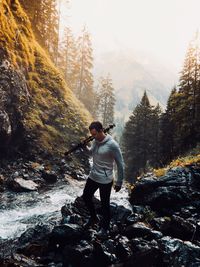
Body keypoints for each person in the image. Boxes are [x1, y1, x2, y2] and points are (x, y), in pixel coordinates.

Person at [82, 121, 124, 239]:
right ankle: (94, 217)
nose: (93, 137)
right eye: (92, 134)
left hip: (105, 179)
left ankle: (104, 229)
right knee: (86, 196)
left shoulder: (112, 145)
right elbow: (91, 153)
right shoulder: (95, 141)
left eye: (95, 134)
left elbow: (120, 164)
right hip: (93, 175)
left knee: (105, 205)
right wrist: (84, 147)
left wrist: (119, 182)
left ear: (101, 131)